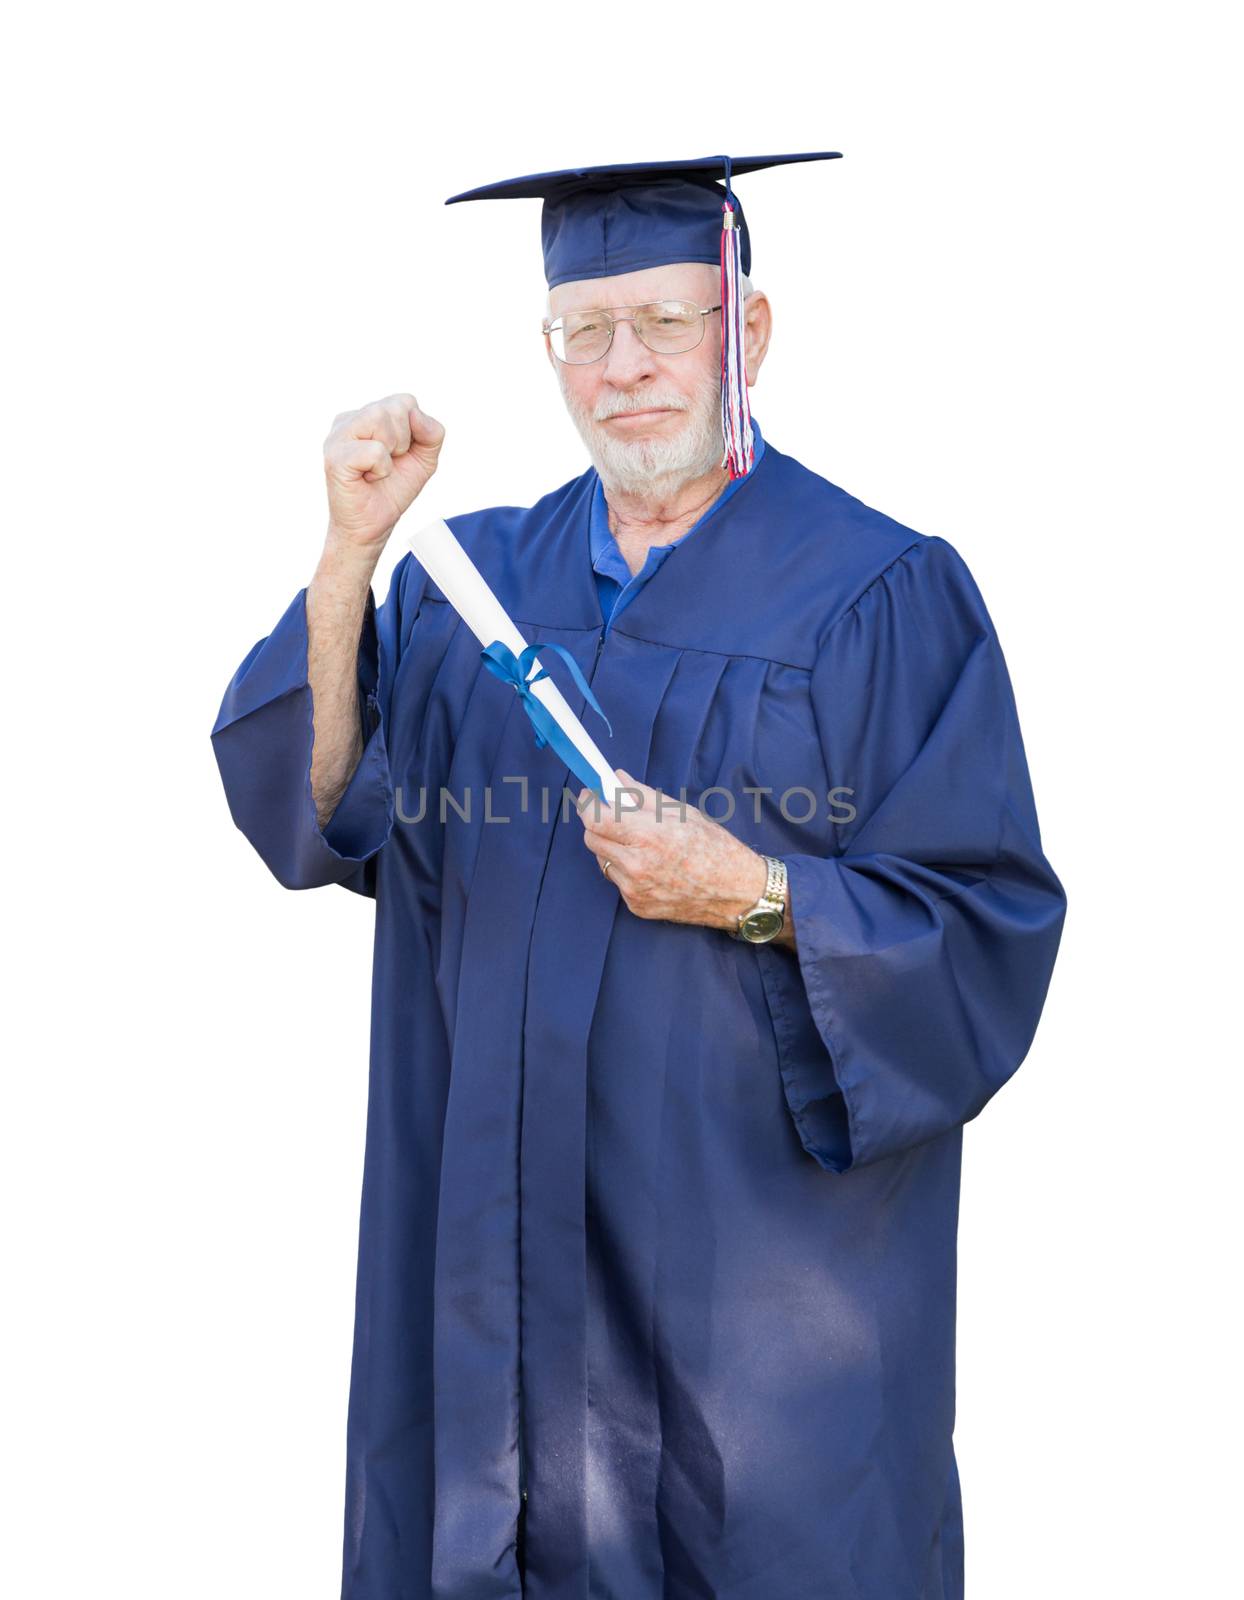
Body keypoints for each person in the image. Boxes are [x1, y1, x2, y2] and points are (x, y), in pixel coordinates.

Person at [211, 152, 1066, 1600]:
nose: (625, 370)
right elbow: (320, 811)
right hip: (500, 1312)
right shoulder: (470, 582)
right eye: (584, 332)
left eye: (668, 324)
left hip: (759, 1350)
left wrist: (756, 892)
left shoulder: (880, 594)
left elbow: (986, 931)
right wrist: (348, 558)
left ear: (752, 329)